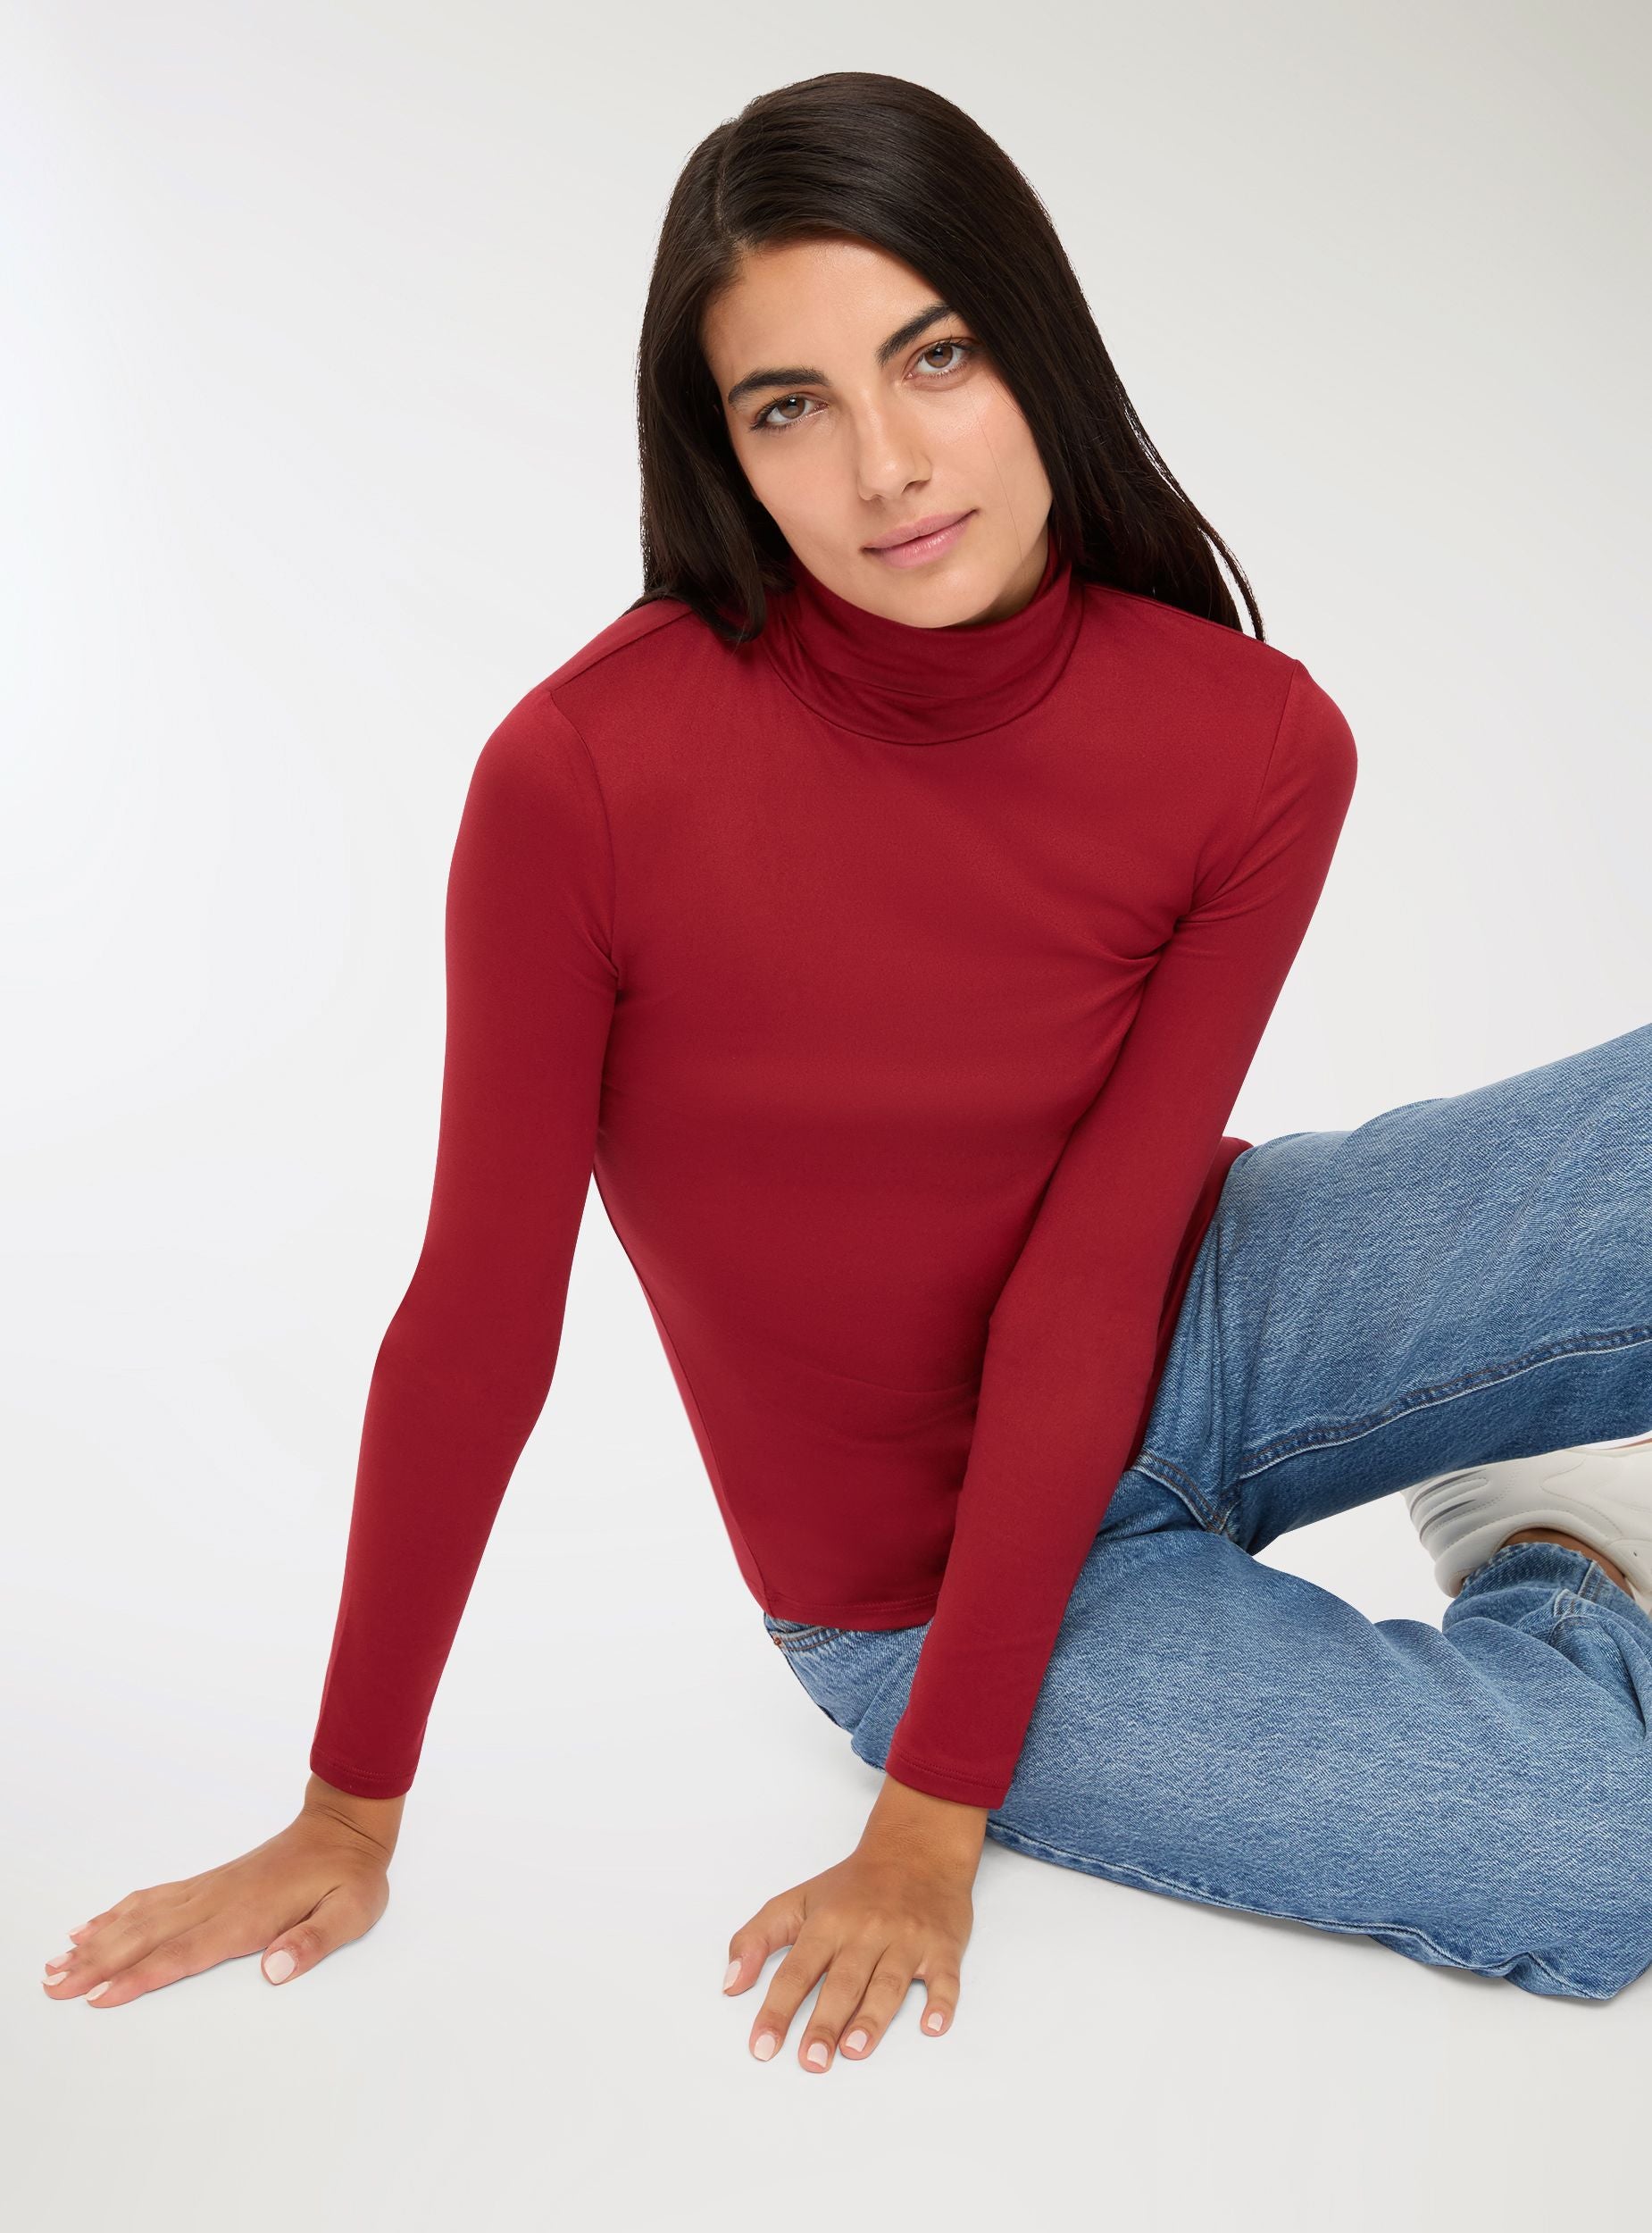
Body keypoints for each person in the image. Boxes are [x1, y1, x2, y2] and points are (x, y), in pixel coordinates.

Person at [44, 71, 1652, 2051]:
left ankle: (1515, 1403)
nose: (886, 466)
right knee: (1593, 1855)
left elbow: (1093, 1267)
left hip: (1214, 1308)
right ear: (722, 450)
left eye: (934, 356)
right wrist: (348, 1809)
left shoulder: (1253, 739)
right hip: (908, 1585)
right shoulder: (585, 777)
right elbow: (478, 1315)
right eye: (788, 405)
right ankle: (1564, 1541)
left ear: (1030, 342)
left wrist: (935, 1818)